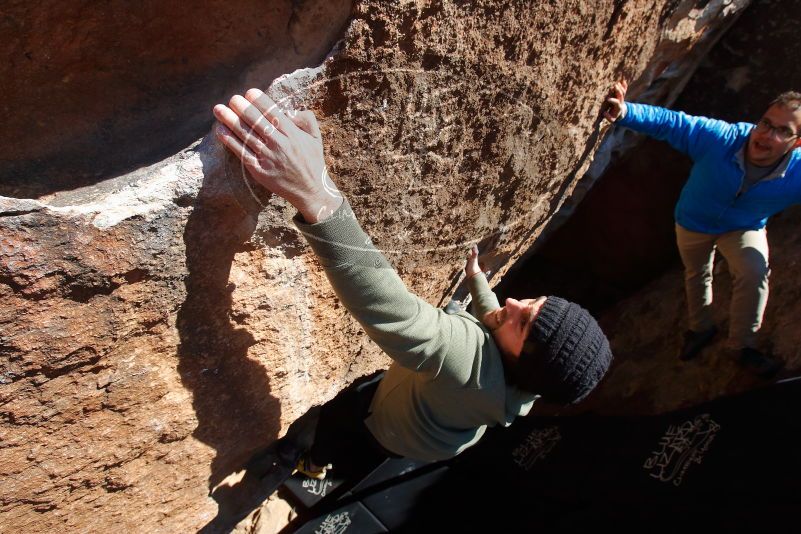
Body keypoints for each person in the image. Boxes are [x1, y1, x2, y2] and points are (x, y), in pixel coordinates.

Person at [212, 89, 613, 478]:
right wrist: (476, 280)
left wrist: (314, 192)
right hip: (424, 435)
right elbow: (496, 318)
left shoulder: (466, 365)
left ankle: (311, 464)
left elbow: (390, 307)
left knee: (340, 422)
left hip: (387, 429)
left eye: (523, 322)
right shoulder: (525, 383)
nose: (514, 303)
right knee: (363, 433)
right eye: (534, 301)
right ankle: (322, 461)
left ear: (524, 363)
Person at [604, 81, 801, 378]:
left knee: (754, 272)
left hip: (743, 227)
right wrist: (626, 111)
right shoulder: (722, 139)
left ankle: (742, 346)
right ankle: (700, 329)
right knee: (697, 273)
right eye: (766, 123)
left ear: (797, 142)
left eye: (783, 131)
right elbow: (674, 124)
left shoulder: (798, 172)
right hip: (694, 221)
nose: (767, 135)